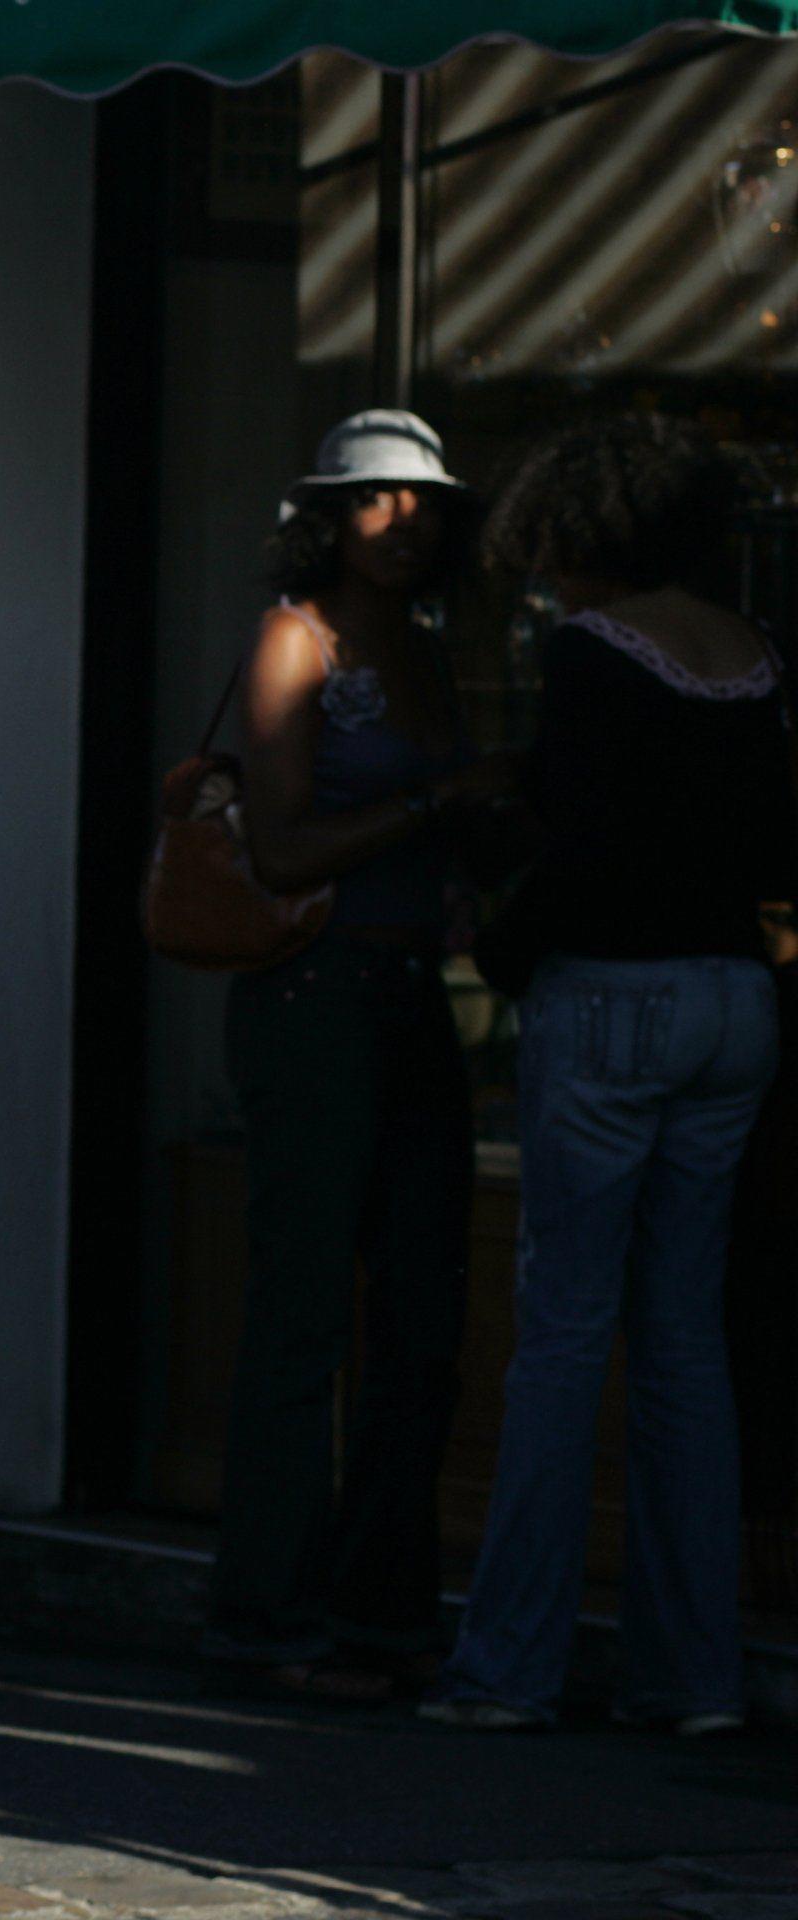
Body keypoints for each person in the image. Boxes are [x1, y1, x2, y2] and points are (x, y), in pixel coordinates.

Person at [423, 417, 791, 1736]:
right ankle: (696, 1677)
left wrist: (506, 950)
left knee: (564, 1336)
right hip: (735, 999)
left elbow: (585, 849)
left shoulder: (594, 653)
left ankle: (507, 1670)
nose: (547, 582)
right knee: (685, 1342)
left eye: (554, 554)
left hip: (614, 1000)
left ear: (588, 534)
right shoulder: (753, 655)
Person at [206, 411, 516, 1698]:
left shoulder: (432, 650)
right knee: (303, 1308)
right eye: (378, 500)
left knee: (426, 1310)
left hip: (411, 990)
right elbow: (276, 848)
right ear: (328, 518)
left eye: (426, 504)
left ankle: (384, 1608)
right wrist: (439, 803)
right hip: (313, 990)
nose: (406, 522)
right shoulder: (299, 639)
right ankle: (269, 1611)